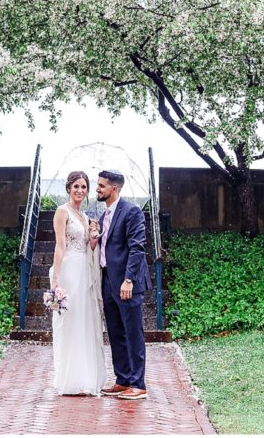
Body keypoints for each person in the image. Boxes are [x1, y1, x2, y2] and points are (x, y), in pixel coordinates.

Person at [49, 170, 107, 395]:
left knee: (86, 322)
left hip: (85, 270)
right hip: (69, 271)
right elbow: (60, 245)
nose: (80, 191)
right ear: (68, 188)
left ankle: (85, 378)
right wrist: (56, 278)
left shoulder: (85, 217)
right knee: (70, 322)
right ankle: (69, 379)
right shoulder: (62, 212)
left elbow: (89, 248)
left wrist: (93, 238)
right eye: (76, 187)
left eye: (84, 187)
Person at [96, 169, 152, 400]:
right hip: (108, 280)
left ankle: (138, 384)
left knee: (133, 332)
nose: (97, 189)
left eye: (101, 186)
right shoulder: (103, 217)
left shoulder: (132, 211)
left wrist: (128, 279)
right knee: (116, 331)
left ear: (114, 189)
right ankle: (123, 379)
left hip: (127, 282)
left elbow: (138, 247)